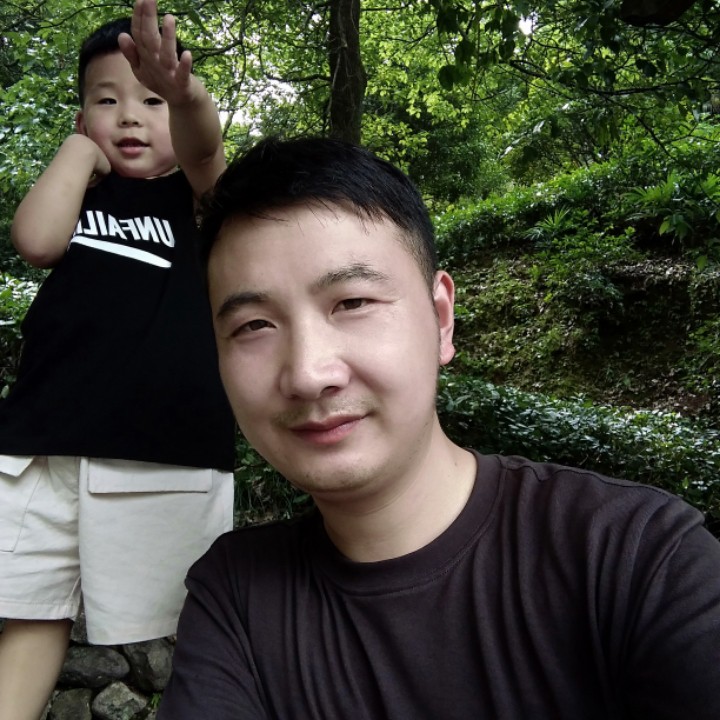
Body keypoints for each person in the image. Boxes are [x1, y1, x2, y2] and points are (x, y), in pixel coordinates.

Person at [158, 136, 720, 720]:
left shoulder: (638, 558)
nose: (307, 374)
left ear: (441, 318)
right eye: (253, 325)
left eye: (352, 303)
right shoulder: (236, 595)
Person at [0, 1, 236, 717]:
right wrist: (79, 152)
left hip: (160, 449)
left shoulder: (196, 200)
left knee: (191, 617)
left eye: (151, 100)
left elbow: (204, 152)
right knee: (30, 611)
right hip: (42, 446)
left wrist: (186, 96)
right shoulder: (80, 194)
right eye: (107, 101)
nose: (130, 116)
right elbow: (36, 241)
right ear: (83, 116)